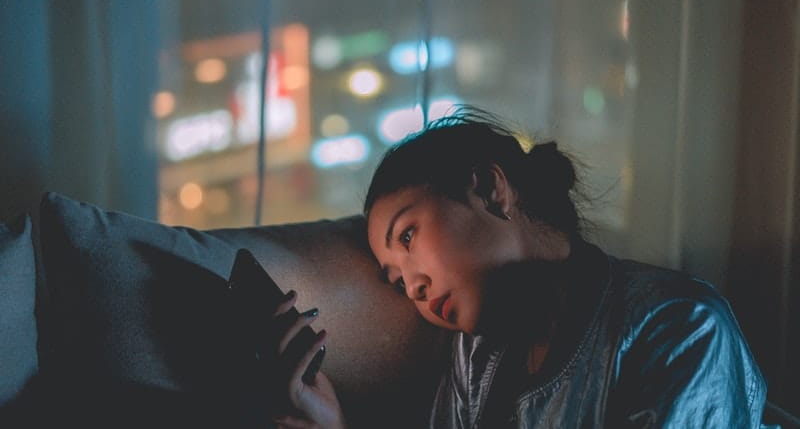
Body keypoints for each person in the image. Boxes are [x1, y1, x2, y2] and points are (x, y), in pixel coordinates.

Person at [269, 106, 773, 428]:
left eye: (408, 237)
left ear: (491, 189)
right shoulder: (474, 357)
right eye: (397, 281)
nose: (414, 288)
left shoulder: (680, 326)